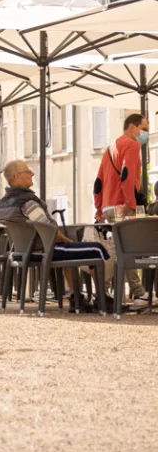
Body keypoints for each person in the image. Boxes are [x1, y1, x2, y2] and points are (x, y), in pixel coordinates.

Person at [0, 159, 110, 313]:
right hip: (43, 250)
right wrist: (64, 238)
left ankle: (76, 298)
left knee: (70, 252)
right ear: (17, 177)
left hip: (20, 253)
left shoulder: (3, 204)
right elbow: (49, 229)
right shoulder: (27, 202)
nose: (32, 174)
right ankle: (102, 299)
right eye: (28, 172)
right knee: (96, 249)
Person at [93, 112, 150, 307]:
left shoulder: (110, 147)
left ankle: (138, 293)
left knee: (119, 248)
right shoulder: (132, 145)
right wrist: (130, 204)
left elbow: (98, 182)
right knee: (124, 250)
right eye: (144, 129)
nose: (146, 135)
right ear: (131, 127)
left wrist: (99, 207)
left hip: (109, 206)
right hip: (122, 205)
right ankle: (103, 292)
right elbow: (127, 174)